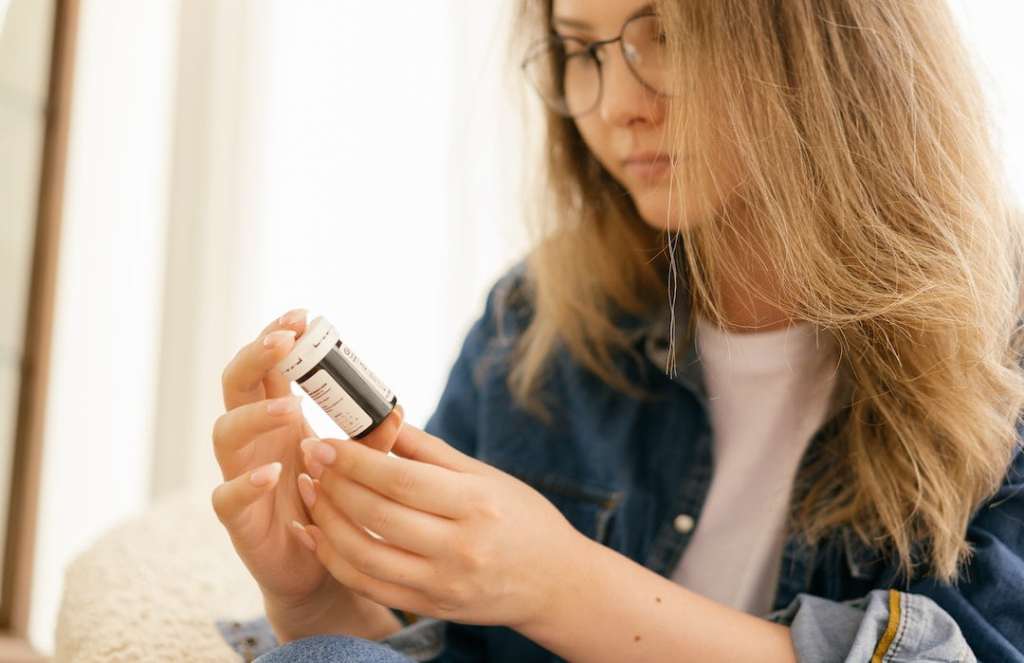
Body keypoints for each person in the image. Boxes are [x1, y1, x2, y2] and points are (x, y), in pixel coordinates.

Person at [211, 0, 1024, 661]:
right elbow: (436, 649)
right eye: (582, 49)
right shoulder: (532, 320)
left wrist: (561, 583)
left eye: (665, 35)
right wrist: (310, 592)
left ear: (822, 37)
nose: (614, 104)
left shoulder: (1004, 338)